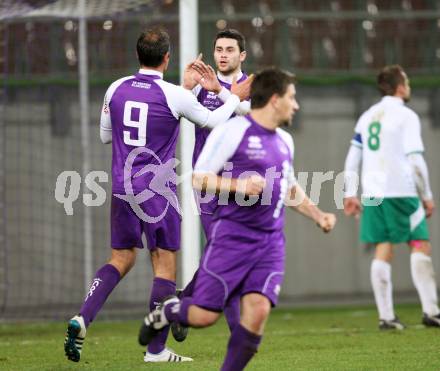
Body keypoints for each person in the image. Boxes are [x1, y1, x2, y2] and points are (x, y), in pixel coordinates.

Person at [63, 27, 252, 363]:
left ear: (138, 56)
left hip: (122, 187)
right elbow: (209, 119)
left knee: (119, 260)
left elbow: (106, 137)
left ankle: (82, 317)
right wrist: (233, 96)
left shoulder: (116, 88)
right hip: (156, 191)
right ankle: (156, 350)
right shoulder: (174, 95)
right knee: (164, 267)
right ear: (167, 57)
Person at [138, 67, 337, 370]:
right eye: (291, 98)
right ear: (274, 100)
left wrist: (317, 214)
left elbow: (288, 186)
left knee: (257, 314)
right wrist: (238, 185)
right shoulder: (233, 132)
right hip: (232, 238)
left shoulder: (285, 140)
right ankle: (168, 312)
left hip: (270, 243)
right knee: (204, 316)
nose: (295, 105)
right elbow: (198, 179)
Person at [343, 64, 440, 330]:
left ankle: (386, 317)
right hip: (401, 191)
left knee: (383, 247)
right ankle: (431, 311)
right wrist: (427, 195)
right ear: (400, 86)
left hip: (373, 193)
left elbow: (353, 157)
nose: (408, 87)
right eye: (407, 82)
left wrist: (350, 193)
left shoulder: (368, 116)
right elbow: (416, 160)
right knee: (420, 243)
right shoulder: (406, 116)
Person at [172, 29, 251, 341]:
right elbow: (174, 110)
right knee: (224, 254)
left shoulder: (248, 87)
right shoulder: (199, 90)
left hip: (242, 184)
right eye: (219, 48)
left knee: (224, 255)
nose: (223, 54)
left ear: (242, 55)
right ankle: (239, 336)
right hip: (206, 183)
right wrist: (186, 85)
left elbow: (251, 115)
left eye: (230, 49)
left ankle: (182, 301)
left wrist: (223, 91)